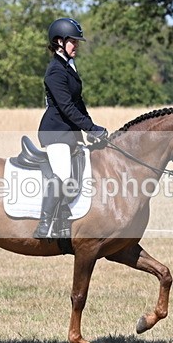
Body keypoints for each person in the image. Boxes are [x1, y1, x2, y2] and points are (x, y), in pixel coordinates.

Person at [34, 17, 108, 239]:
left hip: (70, 133)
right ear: (59, 42)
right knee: (63, 173)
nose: (76, 45)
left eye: (77, 42)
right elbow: (66, 107)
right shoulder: (55, 71)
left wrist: (92, 127)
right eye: (72, 41)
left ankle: (66, 216)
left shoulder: (68, 67)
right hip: (56, 132)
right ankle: (45, 224)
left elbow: (78, 103)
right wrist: (90, 128)